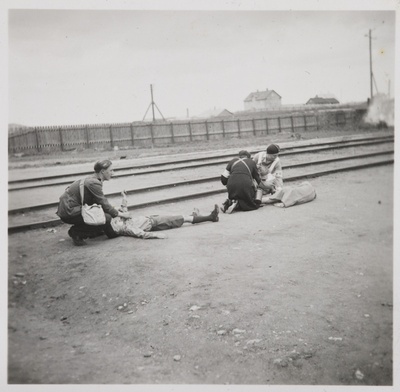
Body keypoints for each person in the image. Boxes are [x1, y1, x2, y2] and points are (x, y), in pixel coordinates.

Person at [56, 160, 131, 246]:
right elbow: (104, 204)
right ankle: (76, 232)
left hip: (70, 209)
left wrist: (115, 210)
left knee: (104, 216)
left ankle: (93, 231)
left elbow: (100, 203)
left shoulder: (93, 179)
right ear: (103, 171)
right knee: (105, 218)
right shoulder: (94, 183)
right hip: (69, 212)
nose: (113, 173)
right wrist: (122, 215)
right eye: (111, 170)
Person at [108, 191, 219, 239]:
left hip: (153, 218)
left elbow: (124, 208)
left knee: (179, 217)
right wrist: (157, 236)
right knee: (183, 218)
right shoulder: (128, 228)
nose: (117, 220)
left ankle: (195, 216)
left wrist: (124, 197)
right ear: (118, 230)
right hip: (156, 223)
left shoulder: (124, 222)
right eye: (116, 223)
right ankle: (211, 217)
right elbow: (141, 234)